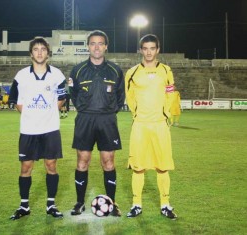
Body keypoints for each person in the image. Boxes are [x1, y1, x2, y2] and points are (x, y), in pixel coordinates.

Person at [9, 37, 66, 220]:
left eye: (43, 49)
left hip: (50, 129)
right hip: (28, 130)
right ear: (30, 53)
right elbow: (16, 102)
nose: (40, 52)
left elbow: (61, 99)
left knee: (51, 165)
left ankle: (51, 204)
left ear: (48, 53)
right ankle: (24, 206)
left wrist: (47, 114)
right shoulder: (21, 76)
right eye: (36, 49)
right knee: (26, 167)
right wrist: (32, 116)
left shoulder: (57, 75)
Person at [69, 30, 125, 217]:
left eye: (100, 43)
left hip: (107, 120)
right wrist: (85, 109)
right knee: (82, 161)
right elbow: (73, 95)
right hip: (85, 119)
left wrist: (107, 111)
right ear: (88, 46)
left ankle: (112, 203)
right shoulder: (77, 70)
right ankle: (79, 203)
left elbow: (120, 96)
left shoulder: (116, 70)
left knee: (108, 162)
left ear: (106, 46)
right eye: (93, 43)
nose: (97, 47)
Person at [125, 34, 177, 219]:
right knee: (138, 167)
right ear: (140, 50)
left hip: (160, 125)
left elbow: (171, 93)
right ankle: (136, 204)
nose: (148, 52)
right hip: (140, 125)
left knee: (163, 166)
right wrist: (137, 113)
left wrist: (166, 113)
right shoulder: (132, 73)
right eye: (145, 48)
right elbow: (129, 97)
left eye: (152, 48)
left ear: (157, 50)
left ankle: (165, 204)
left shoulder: (166, 71)